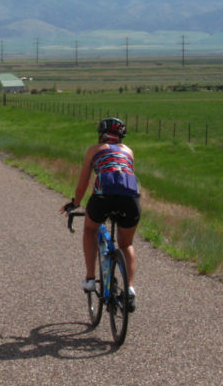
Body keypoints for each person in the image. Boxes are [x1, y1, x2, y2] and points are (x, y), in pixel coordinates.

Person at [62, 117, 140, 312]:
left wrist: (75, 203)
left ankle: (90, 279)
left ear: (100, 134)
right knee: (127, 243)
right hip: (130, 201)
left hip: (103, 198)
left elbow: (83, 184)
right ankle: (129, 288)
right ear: (121, 136)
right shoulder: (129, 151)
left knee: (90, 230)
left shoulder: (94, 150)